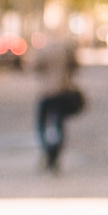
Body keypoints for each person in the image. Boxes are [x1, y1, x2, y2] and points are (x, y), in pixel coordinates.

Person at [26, 22, 82, 171]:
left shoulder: (43, 49)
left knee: (41, 125)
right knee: (59, 125)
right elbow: (76, 66)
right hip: (63, 90)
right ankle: (55, 154)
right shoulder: (66, 48)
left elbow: (34, 67)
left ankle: (47, 151)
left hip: (46, 92)